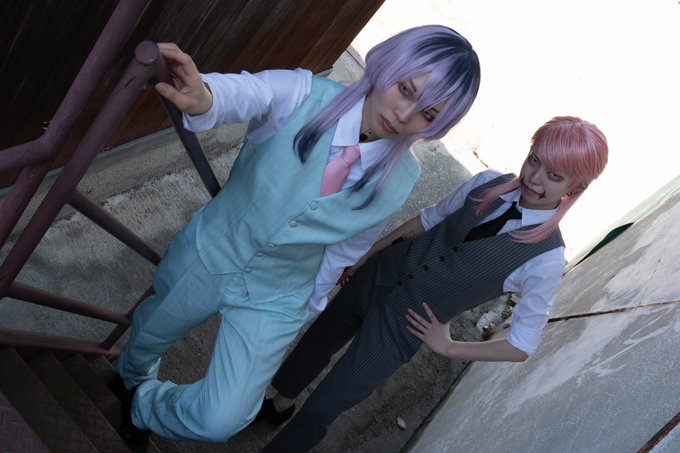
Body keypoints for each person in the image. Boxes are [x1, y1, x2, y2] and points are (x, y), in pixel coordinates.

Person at [111, 25, 481, 445]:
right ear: (387, 66)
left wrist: (305, 308)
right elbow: (249, 93)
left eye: (428, 115)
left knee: (222, 418)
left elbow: (345, 248)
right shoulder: (304, 93)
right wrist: (205, 97)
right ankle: (127, 380)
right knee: (148, 336)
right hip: (214, 248)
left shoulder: (402, 178)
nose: (403, 115)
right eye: (405, 89)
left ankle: (144, 407)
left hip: (279, 293)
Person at [259, 116, 609, 452]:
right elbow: (427, 220)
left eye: (554, 175)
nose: (534, 177)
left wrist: (449, 347)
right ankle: (279, 403)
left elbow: (521, 345)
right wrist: (368, 254)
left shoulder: (546, 259)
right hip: (381, 274)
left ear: (575, 187)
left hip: (406, 326)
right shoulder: (487, 181)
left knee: (323, 408)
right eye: (534, 160)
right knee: (316, 342)